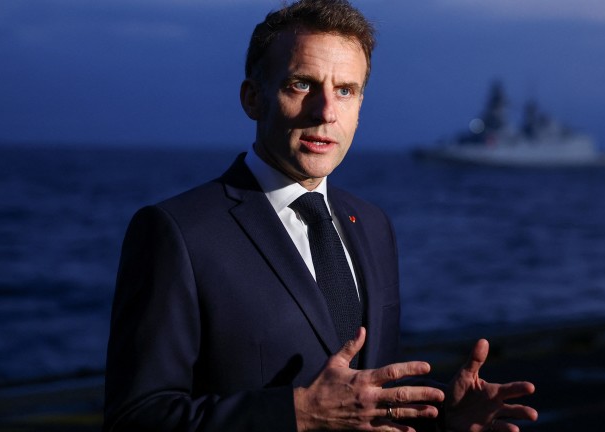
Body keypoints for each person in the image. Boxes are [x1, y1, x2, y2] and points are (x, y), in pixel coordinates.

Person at [103, 1, 538, 431]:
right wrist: (299, 414)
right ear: (253, 99)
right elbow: (135, 419)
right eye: (302, 85)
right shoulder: (178, 232)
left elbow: (363, 397)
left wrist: (443, 418)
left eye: (345, 90)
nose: (326, 111)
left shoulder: (373, 224)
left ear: (360, 105)